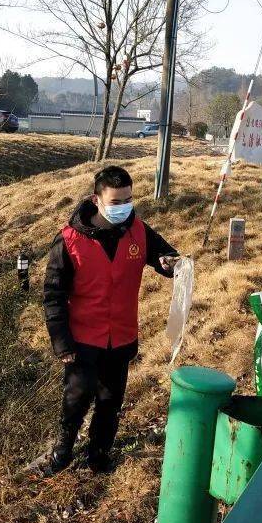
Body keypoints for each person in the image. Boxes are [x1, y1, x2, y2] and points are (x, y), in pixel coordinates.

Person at [37, 166, 179, 475]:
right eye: (116, 202)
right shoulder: (69, 241)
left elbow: (164, 256)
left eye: (128, 200)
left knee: (110, 400)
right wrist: (62, 343)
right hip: (83, 339)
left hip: (122, 336)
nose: (124, 208)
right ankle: (63, 450)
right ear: (96, 200)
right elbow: (53, 295)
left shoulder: (139, 231)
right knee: (78, 396)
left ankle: (99, 454)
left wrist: (170, 263)